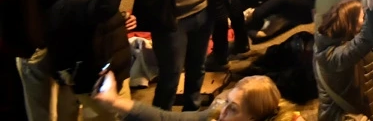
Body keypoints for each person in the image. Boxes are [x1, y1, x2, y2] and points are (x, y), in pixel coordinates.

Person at [44, 0, 133, 118]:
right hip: (98, 83)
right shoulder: (73, 1)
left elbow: (98, 19)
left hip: (112, 76)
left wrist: (122, 18)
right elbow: (104, 8)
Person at [94, 72, 298, 121]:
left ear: (254, 117)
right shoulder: (218, 113)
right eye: (227, 102)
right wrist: (114, 101)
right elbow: (168, 118)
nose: (222, 112)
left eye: (233, 109)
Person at [312, 0, 373, 121]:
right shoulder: (330, 56)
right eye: (362, 16)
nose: (365, 19)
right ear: (352, 24)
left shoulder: (345, 41)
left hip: (363, 108)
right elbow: (361, 44)